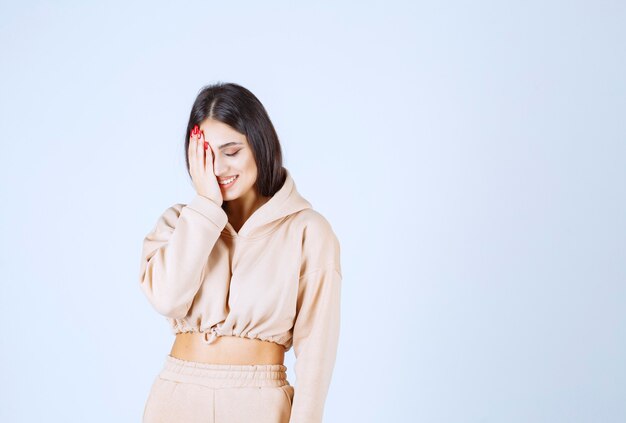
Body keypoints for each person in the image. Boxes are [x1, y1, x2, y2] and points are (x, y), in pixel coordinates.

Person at [139, 82, 342, 423]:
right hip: (175, 400)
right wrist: (205, 207)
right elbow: (167, 299)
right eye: (207, 155)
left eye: (232, 152)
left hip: (259, 406)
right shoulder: (178, 223)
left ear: (260, 145)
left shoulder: (308, 231)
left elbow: (316, 354)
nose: (219, 169)